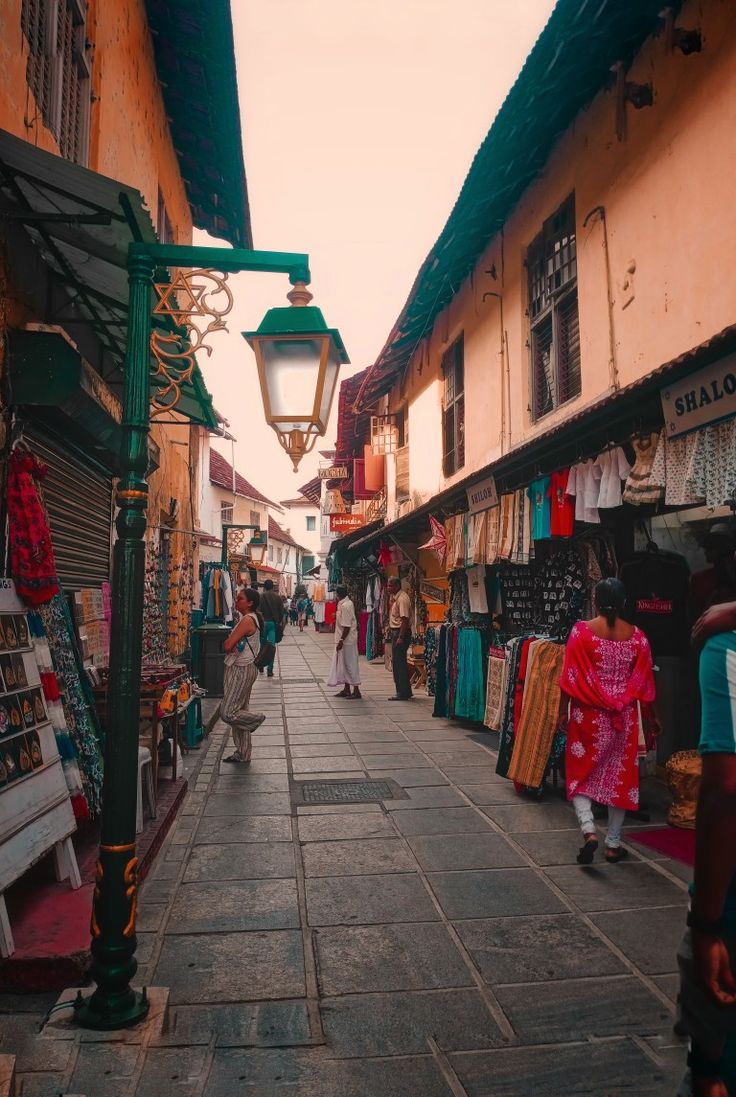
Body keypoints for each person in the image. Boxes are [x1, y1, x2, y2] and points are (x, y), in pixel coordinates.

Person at [677, 599, 736, 1097]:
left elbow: (726, 791)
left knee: (714, 1058)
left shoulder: (726, 649)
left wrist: (707, 924)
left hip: (731, 900)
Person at [560, 577, 657, 864]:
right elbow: (644, 681)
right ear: (625, 602)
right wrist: (653, 717)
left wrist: (559, 713)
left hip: (587, 716)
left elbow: (569, 679)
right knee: (620, 778)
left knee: (580, 773)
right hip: (623, 719)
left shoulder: (581, 633)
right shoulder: (638, 636)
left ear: (595, 601)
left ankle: (589, 828)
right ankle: (613, 843)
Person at [220, 587, 265, 764]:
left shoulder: (247, 620)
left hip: (241, 668)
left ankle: (257, 719)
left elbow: (227, 645)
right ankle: (243, 752)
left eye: (240, 599)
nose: (236, 601)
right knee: (240, 711)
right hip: (246, 667)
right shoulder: (248, 618)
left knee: (228, 712)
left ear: (250, 603)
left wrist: (229, 641)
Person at [689, 524, 736, 622]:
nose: (705, 552)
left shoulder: (699, 579)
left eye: (709, 549)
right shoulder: (699, 579)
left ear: (720, 550)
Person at [327, 585, 361, 699]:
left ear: (338, 594)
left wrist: (341, 640)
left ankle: (356, 690)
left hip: (347, 641)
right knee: (344, 664)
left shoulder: (346, 605)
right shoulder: (341, 604)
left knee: (350, 665)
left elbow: (347, 626)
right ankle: (346, 689)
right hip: (342, 639)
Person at [387, 576, 413, 700]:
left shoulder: (402, 599)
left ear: (397, 586)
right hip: (396, 632)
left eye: (390, 585)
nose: (388, 588)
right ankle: (406, 691)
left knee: (399, 664)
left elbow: (404, 619)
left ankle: (402, 693)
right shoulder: (395, 598)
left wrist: (401, 637)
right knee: (399, 662)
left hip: (400, 633)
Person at [259, 579, 285, 678]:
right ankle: (270, 670)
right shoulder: (278, 597)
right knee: (271, 647)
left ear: (265, 587)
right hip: (273, 624)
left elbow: (258, 611)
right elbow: (282, 613)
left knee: (262, 646)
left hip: (263, 624)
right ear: (273, 587)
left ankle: (261, 665)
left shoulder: (261, 597)